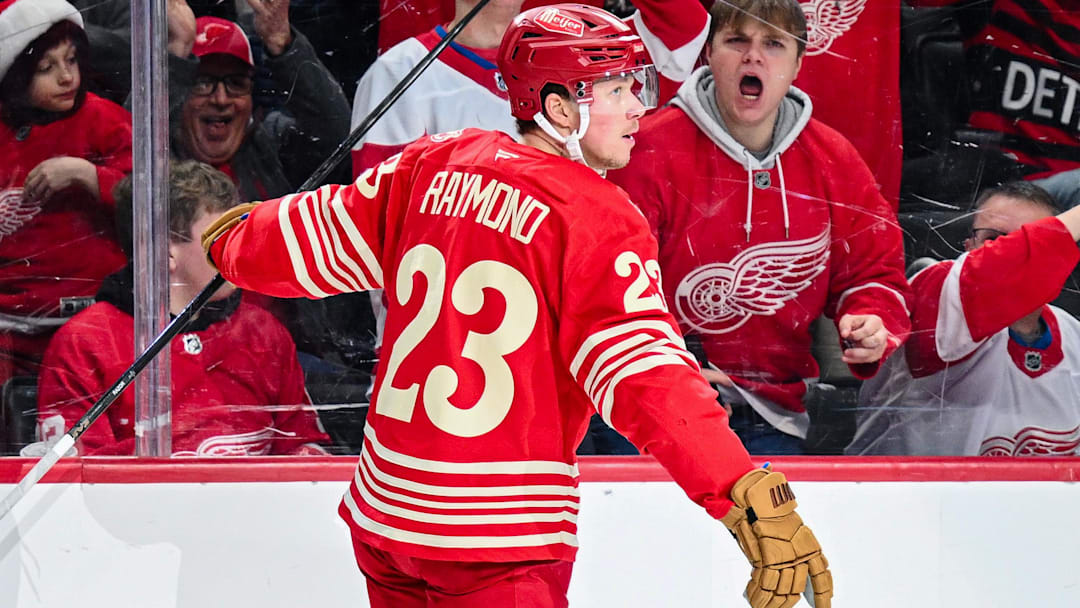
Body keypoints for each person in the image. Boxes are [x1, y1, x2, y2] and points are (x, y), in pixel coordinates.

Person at [202, 5, 832, 607]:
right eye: (615, 91)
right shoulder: (596, 217)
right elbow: (646, 377)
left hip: (388, 518)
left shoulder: (431, 163)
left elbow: (304, 235)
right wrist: (742, 491)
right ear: (559, 108)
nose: (639, 106)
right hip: (495, 538)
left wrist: (229, 240)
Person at [608, 0, 912, 455]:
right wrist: (671, 375)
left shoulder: (834, 159)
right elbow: (612, 287)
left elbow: (874, 272)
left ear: (796, 65)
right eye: (737, 41)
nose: (754, 57)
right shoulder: (648, 150)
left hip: (774, 411)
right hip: (653, 403)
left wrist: (870, 320)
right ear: (709, 54)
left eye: (773, 44)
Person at [34, 160, 329, 457]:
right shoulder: (86, 343)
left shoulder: (263, 332)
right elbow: (81, 483)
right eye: (222, 238)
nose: (241, 249)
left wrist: (307, 454)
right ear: (166, 254)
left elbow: (303, 447)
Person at [850, 182, 1080, 456]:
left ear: (1062, 260)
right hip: (907, 496)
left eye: (1024, 240)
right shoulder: (933, 291)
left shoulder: (1073, 334)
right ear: (968, 245)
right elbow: (995, 272)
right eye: (994, 239)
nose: (1011, 253)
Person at [0, 0, 132, 387]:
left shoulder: (102, 118)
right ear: (12, 76)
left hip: (90, 318)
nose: (66, 77)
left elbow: (155, 198)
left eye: (72, 60)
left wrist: (89, 175)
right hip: (8, 330)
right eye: (46, 67)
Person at [165, 0, 352, 201]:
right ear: (181, 90)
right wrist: (178, 48)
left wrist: (281, 41)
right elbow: (132, 150)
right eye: (203, 83)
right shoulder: (156, 157)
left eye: (236, 83)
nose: (221, 99)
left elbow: (338, 138)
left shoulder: (272, 147)